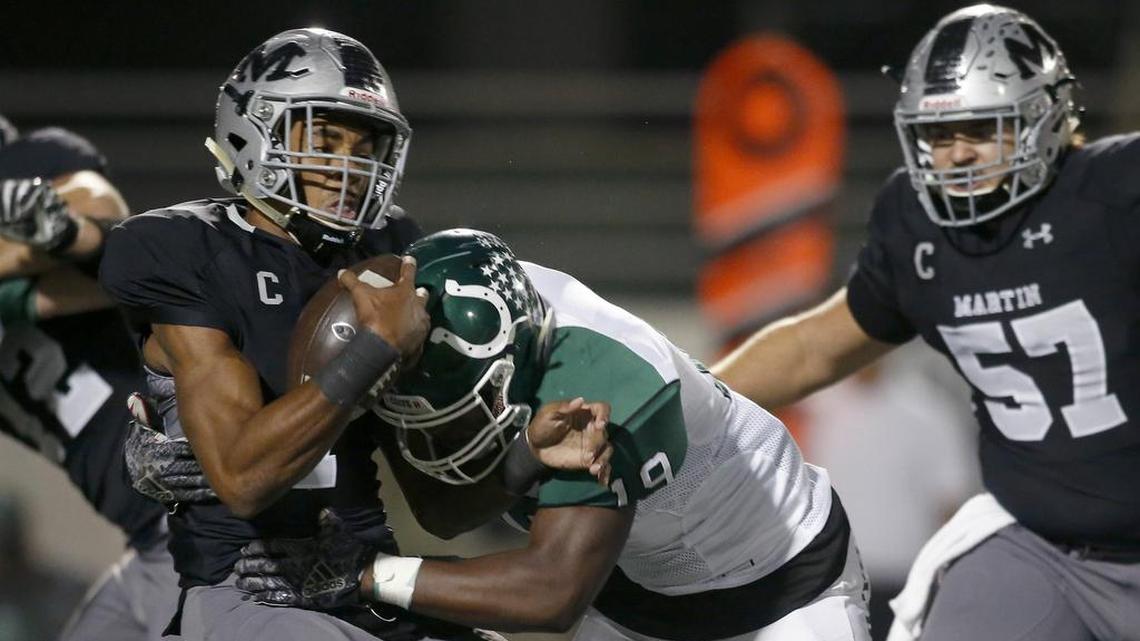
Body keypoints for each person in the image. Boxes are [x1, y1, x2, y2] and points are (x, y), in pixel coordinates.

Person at [100, 28, 608, 641]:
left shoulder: (387, 251)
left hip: (359, 578)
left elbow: (438, 508)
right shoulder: (188, 251)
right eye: (323, 139)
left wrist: (525, 454)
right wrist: (374, 350)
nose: (349, 166)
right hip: (252, 590)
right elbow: (243, 480)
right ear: (253, 131)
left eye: (364, 146)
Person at [711, 4, 1140, 640]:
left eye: (981, 129)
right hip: (1040, 547)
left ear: (1043, 118)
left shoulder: (1116, 190)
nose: (958, 154)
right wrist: (677, 401)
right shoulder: (918, 226)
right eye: (939, 135)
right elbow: (815, 347)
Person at [232, 228, 872, 641]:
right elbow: (444, 512)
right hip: (631, 600)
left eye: (456, 411)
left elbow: (550, 594)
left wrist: (368, 573)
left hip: (780, 591)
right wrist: (520, 460)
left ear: (511, 362)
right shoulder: (444, 330)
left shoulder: (604, 383)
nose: (440, 434)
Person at [0, 117, 179, 641]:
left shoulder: (22, 167)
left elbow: (101, 212)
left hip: (204, 511)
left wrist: (46, 250)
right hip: (151, 538)